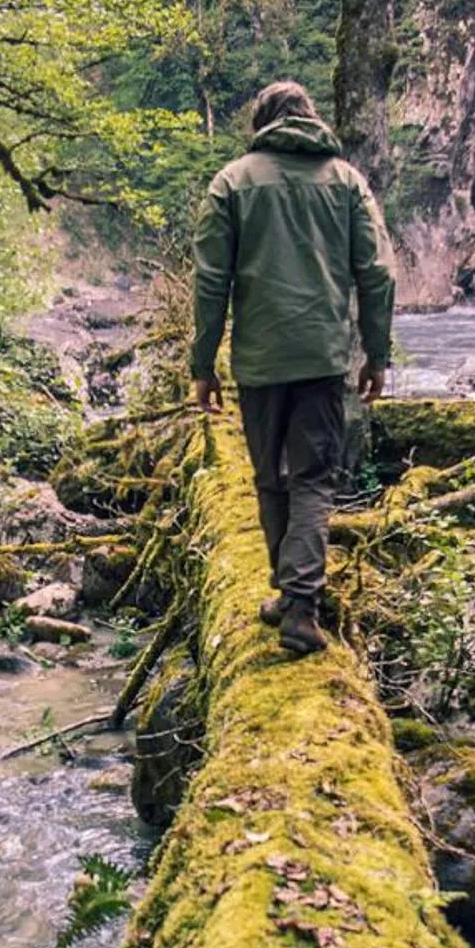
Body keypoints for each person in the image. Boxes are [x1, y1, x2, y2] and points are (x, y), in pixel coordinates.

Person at [188, 80, 396, 656]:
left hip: (258, 360)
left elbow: (210, 281)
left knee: (269, 476)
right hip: (323, 357)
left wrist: (202, 364)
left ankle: (290, 592)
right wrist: (376, 354)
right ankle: (300, 605)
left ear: (260, 123)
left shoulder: (232, 182)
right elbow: (377, 273)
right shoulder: (346, 182)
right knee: (312, 478)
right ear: (310, 119)